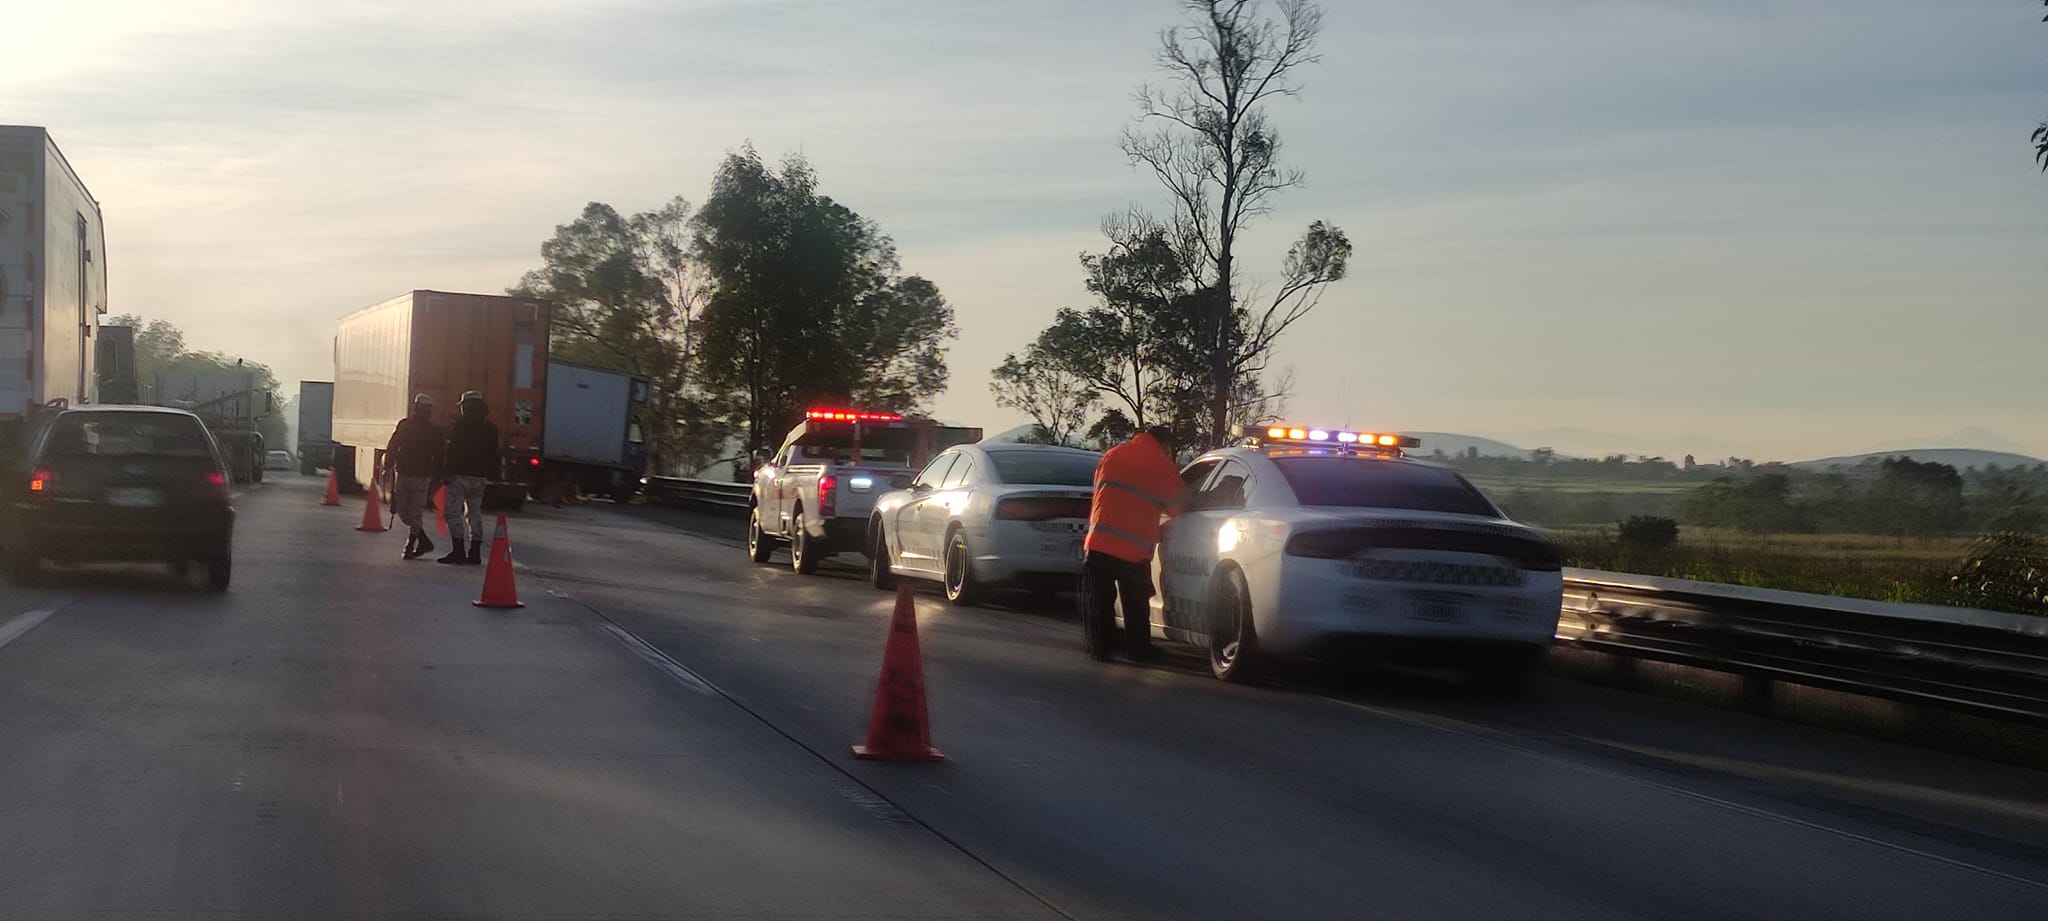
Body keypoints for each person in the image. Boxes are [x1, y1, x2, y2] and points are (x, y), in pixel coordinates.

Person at [1082, 425, 1185, 662]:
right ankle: (1138, 651)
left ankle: (1101, 648)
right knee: (1135, 603)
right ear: (1165, 444)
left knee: (1100, 602)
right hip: (1133, 549)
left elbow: (1099, 491)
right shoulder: (1161, 465)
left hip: (1099, 543)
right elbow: (1178, 507)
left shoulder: (1113, 454)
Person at [381, 393, 446, 561]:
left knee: (414, 512)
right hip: (404, 473)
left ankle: (410, 545)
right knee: (404, 512)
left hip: (421, 476)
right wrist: (388, 465)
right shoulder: (406, 425)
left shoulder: (432, 431)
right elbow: (394, 445)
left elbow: (440, 455)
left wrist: (437, 477)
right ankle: (423, 540)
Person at [438, 390, 499, 565]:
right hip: (480, 477)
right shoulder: (491, 427)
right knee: (474, 512)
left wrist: (445, 472)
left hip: (459, 475)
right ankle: (475, 552)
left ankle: (458, 551)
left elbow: (452, 450)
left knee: (452, 512)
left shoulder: (460, 425)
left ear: (466, 406)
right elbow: (493, 453)